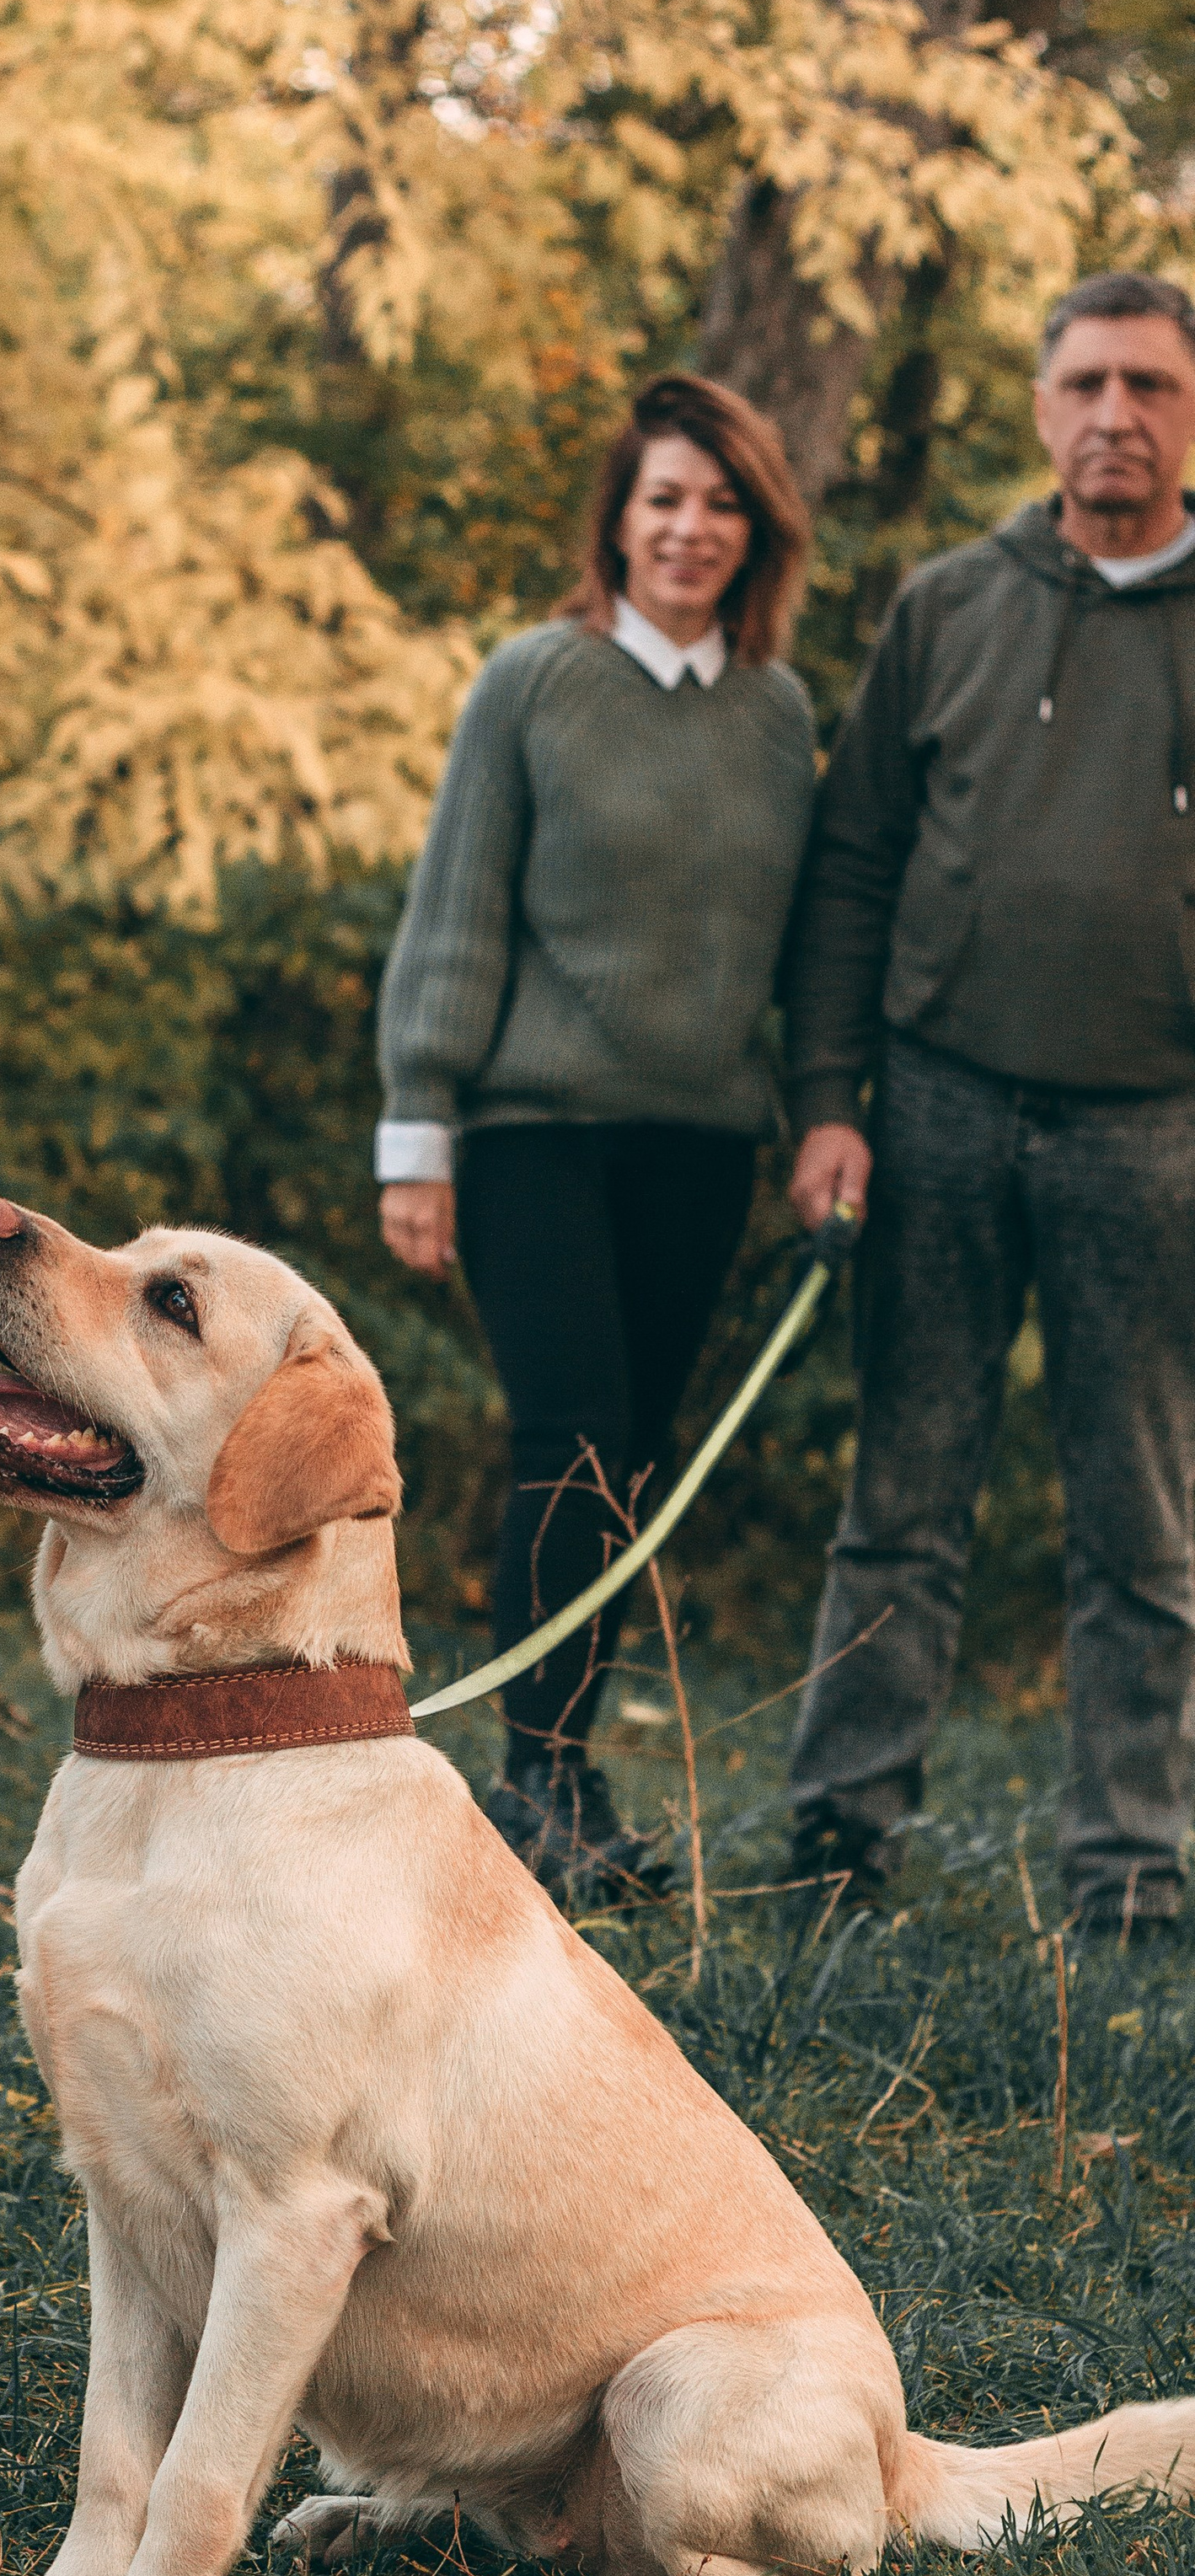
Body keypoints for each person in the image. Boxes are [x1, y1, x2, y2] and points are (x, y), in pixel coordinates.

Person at [785, 271, 1195, 1935]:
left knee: (1141, 1521)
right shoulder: (945, 604)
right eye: (1085, 382)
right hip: (935, 1103)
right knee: (900, 1500)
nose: (1115, 414)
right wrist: (827, 1100)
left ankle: (1131, 1877)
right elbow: (848, 866)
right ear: (1036, 408)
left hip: (1152, 1126)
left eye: (1150, 387)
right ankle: (835, 1840)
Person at [376, 373, 814, 1896]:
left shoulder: (778, 716)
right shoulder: (536, 682)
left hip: (702, 1144)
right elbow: (455, 913)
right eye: (664, 500)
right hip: (530, 1136)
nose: (691, 528)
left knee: (632, 1458)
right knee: (568, 1443)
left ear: (757, 531)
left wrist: (823, 1112)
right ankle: (538, 1790)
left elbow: (811, 946)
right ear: (620, 525)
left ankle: (569, 1782)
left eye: (721, 504)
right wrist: (415, 1130)